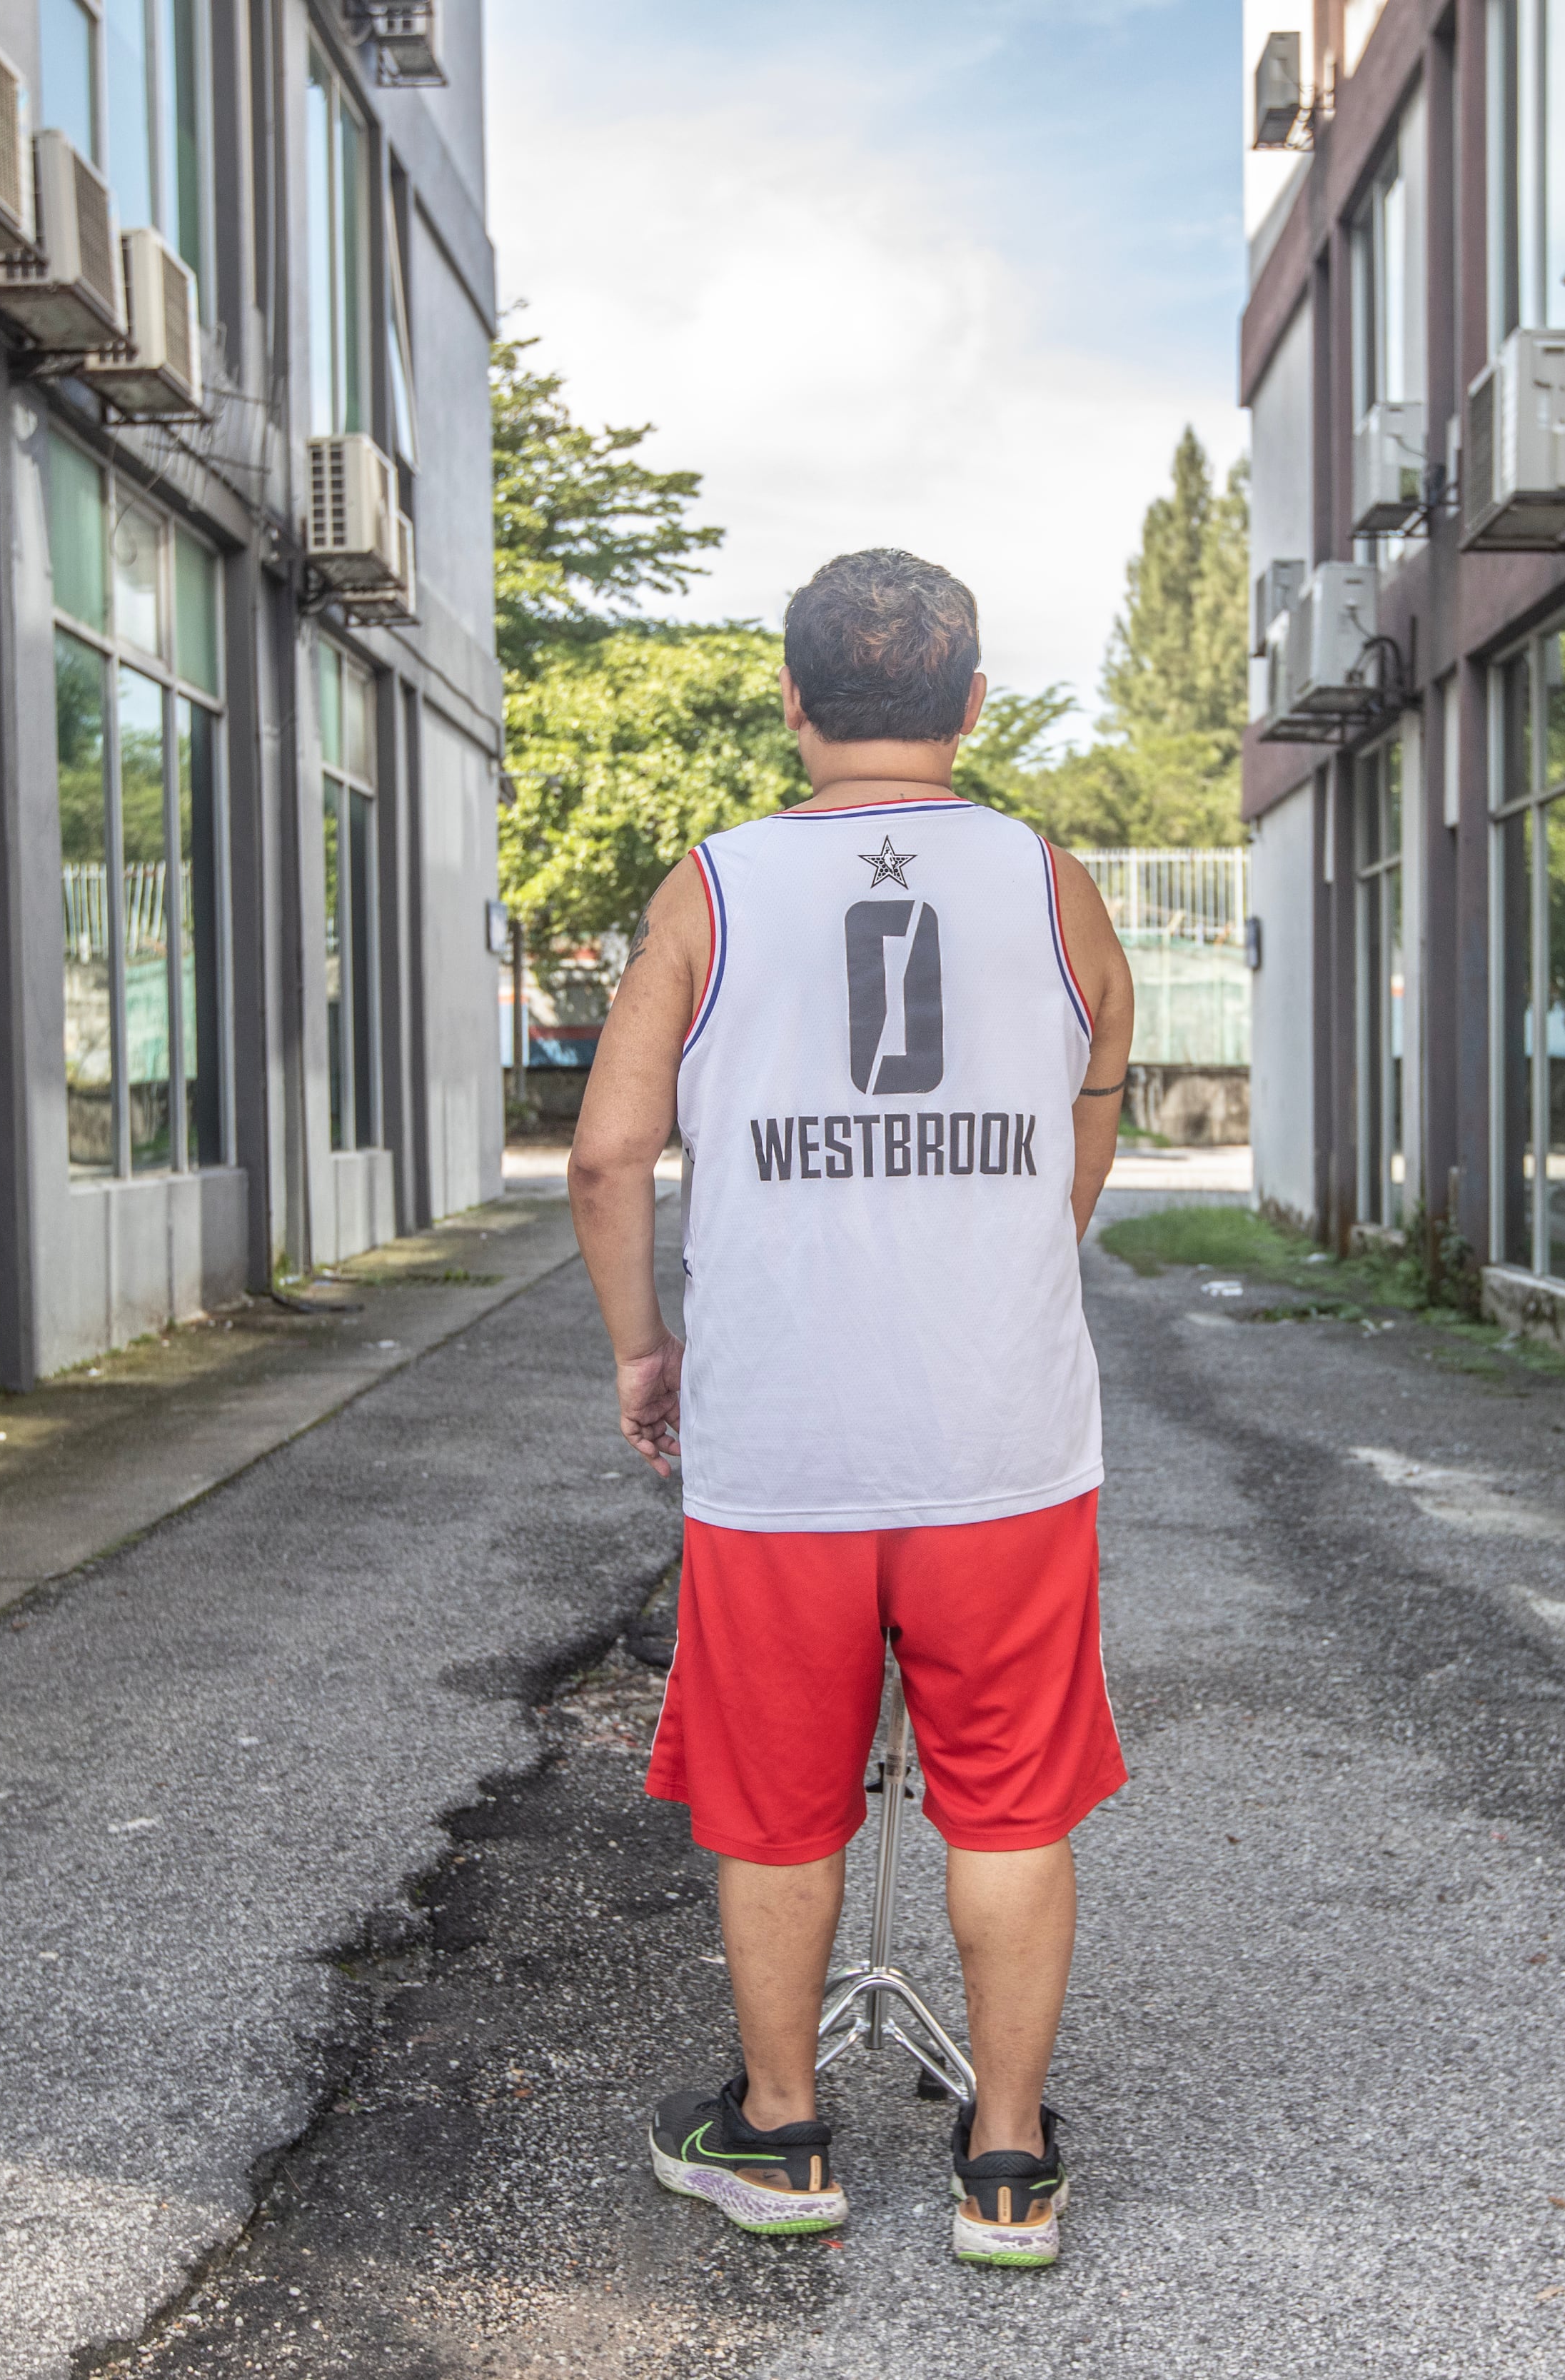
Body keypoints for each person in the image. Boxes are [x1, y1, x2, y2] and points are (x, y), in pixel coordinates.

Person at [566, 548, 1136, 2269]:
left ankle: (784, 2136)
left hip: (782, 1444)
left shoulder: (711, 888)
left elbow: (605, 1152)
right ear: (972, 704)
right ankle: (1010, 2168)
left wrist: (641, 1349)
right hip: (1004, 1441)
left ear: (793, 699)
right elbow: (1089, 1107)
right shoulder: (1053, 883)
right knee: (1008, 1797)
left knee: (774, 1796)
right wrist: (1011, 1266)